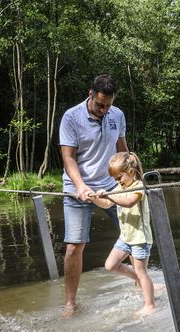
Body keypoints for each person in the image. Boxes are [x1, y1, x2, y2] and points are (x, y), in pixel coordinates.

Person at [59, 74, 129, 318]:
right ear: (91, 94)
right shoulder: (71, 117)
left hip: (111, 187)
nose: (103, 109)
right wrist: (80, 186)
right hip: (78, 188)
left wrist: (132, 179)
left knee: (136, 233)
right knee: (74, 246)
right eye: (100, 104)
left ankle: (140, 281)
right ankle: (70, 302)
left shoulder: (117, 115)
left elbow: (122, 151)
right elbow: (68, 157)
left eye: (108, 105)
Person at [88, 152, 156, 316]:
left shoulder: (139, 186)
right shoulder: (120, 187)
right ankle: (139, 281)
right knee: (110, 265)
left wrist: (110, 196)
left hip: (139, 238)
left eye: (120, 177)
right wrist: (93, 198)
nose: (118, 181)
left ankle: (150, 305)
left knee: (141, 271)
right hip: (125, 237)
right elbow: (105, 203)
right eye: (115, 179)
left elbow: (129, 202)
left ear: (131, 171)